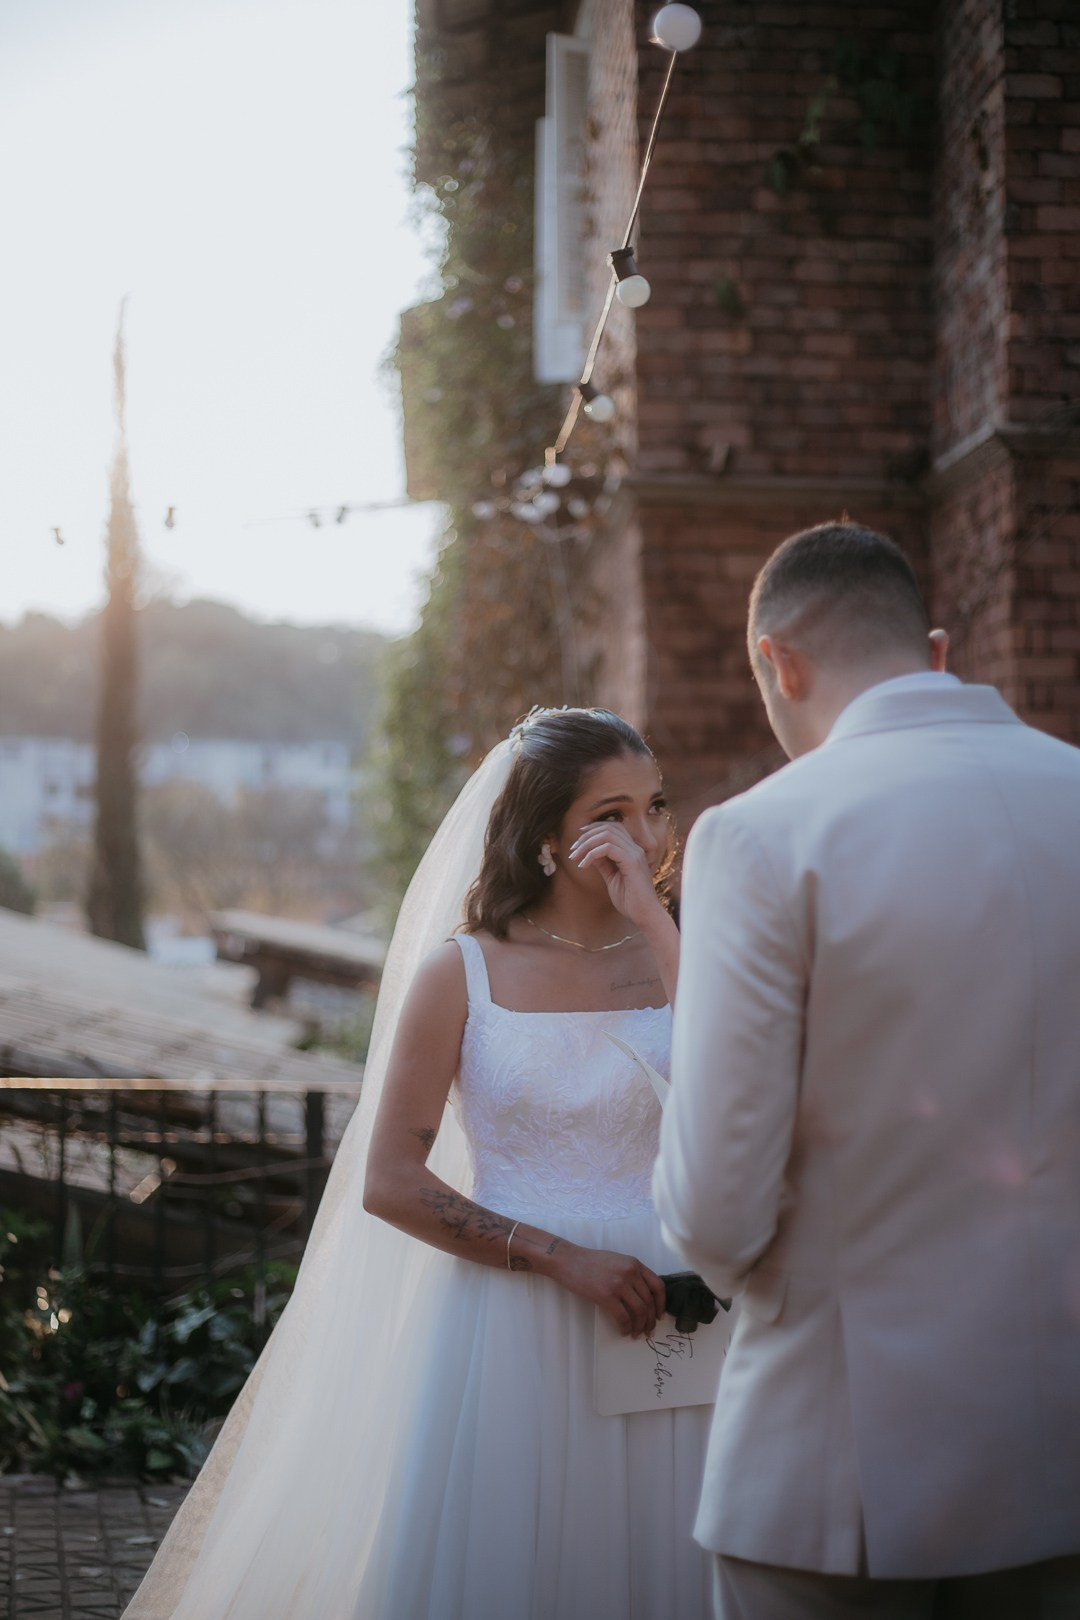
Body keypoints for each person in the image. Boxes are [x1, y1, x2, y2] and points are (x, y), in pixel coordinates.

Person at [124, 706, 714, 1620]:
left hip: (673, 1307)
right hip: (515, 1316)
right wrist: (563, 1256)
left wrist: (651, 917)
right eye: (614, 815)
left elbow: (734, 1090)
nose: (646, 839)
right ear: (548, 835)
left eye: (657, 808)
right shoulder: (464, 973)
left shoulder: (685, 954)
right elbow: (390, 1180)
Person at [654, 521, 1080, 1619]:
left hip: (839, 1452)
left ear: (779, 661)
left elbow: (713, 1206)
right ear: (936, 651)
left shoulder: (761, 837)